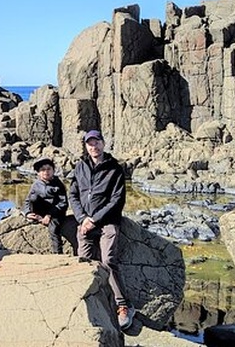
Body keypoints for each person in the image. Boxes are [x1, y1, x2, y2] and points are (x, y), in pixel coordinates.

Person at [68, 129, 134, 330]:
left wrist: (94, 220)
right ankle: (87, 302)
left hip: (107, 222)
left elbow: (117, 200)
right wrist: (81, 218)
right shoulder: (80, 166)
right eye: (90, 143)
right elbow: (73, 194)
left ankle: (124, 306)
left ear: (103, 144)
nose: (93, 146)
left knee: (108, 261)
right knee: (84, 262)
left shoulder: (114, 168)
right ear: (86, 146)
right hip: (85, 221)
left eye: (96, 142)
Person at [23, 157, 70, 254]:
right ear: (38, 173)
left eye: (49, 169)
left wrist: (49, 215)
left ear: (53, 170)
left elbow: (63, 203)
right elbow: (28, 200)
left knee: (53, 229)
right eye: (43, 170)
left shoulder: (58, 184)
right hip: (40, 210)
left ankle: (58, 253)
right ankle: (37, 218)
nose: (46, 172)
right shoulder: (36, 184)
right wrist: (27, 212)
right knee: (33, 198)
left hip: (55, 212)